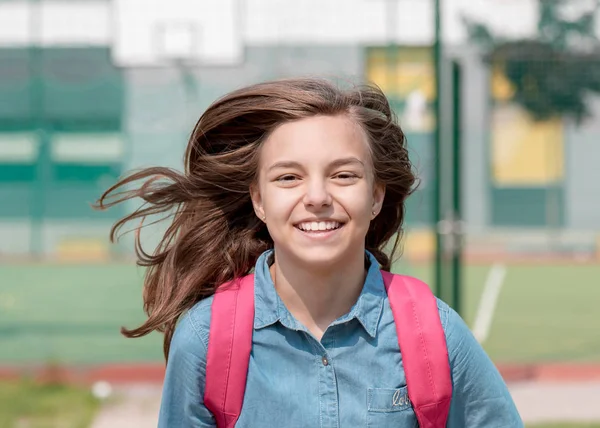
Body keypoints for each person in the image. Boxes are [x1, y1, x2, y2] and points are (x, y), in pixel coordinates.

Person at [97, 78, 523, 427]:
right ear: (259, 200)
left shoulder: (435, 332)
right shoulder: (208, 339)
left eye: (343, 174)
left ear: (375, 197)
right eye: (288, 177)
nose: (317, 196)